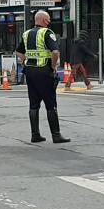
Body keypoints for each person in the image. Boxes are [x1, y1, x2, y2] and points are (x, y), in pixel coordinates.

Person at [15, 10, 71, 144]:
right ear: (44, 20)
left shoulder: (26, 34)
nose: (49, 21)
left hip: (30, 73)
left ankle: (35, 135)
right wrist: (53, 66)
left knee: (33, 105)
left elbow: (18, 51)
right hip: (44, 72)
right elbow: (55, 52)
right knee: (51, 104)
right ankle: (56, 135)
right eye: (48, 19)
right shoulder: (47, 33)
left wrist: (24, 61)